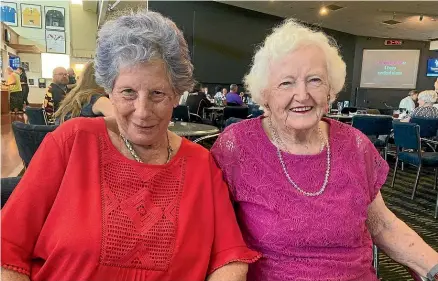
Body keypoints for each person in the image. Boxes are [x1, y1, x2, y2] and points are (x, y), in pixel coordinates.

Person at [1, 10, 260, 281]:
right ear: (109, 91)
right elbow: (7, 250)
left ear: (176, 95)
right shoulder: (72, 142)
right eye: (128, 92)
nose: (142, 111)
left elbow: (229, 260)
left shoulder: (201, 165)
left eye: (157, 93)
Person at [211, 19, 438, 281]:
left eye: (315, 80)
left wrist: (433, 265)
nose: (303, 94)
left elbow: (383, 225)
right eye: (286, 83)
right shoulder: (237, 146)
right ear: (264, 94)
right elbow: (216, 240)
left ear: (330, 89)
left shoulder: (355, 144)